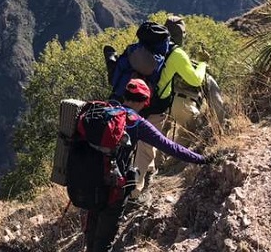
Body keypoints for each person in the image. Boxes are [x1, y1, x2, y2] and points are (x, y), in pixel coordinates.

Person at [84, 78, 210, 252]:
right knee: (104, 241)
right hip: (113, 188)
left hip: (89, 183)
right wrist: (201, 159)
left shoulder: (104, 112)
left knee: (92, 234)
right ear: (145, 102)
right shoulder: (136, 122)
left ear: (125, 96)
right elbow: (170, 146)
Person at [132, 15, 226, 199]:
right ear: (182, 34)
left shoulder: (148, 49)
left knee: (143, 144)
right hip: (158, 106)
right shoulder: (176, 54)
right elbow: (195, 79)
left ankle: (150, 172)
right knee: (147, 148)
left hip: (135, 101)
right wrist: (203, 63)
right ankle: (134, 193)